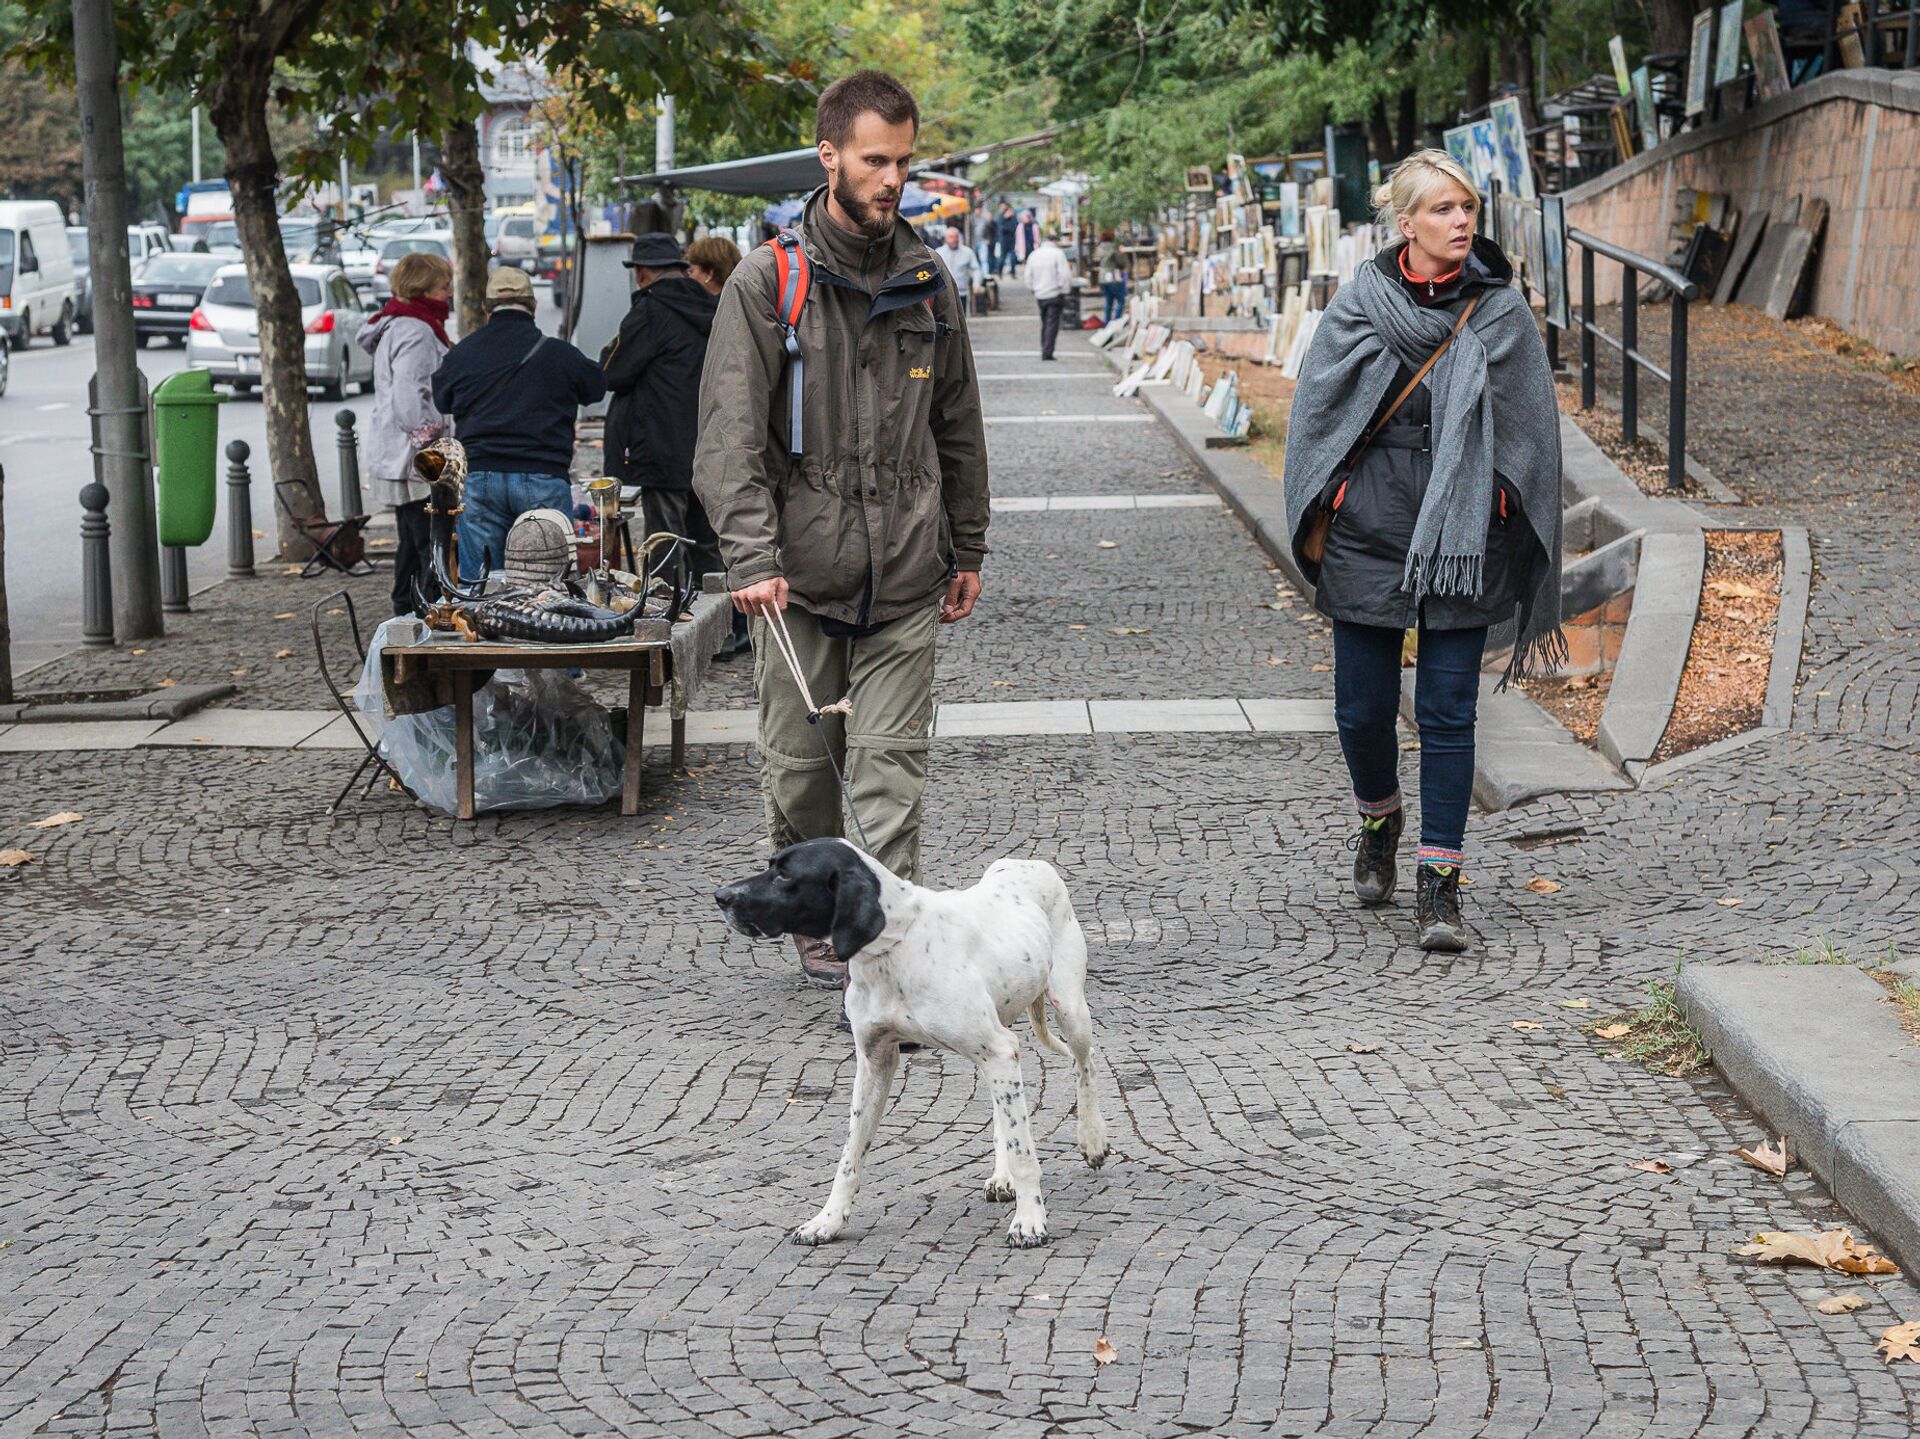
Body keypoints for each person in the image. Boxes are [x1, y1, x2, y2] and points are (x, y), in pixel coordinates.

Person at [693, 69, 990, 1000]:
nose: (893, 177)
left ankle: (878, 937)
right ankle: (812, 915)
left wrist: (968, 544)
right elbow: (727, 436)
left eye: (904, 159)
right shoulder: (765, 281)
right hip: (796, 578)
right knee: (799, 774)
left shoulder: (930, 282)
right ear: (829, 157)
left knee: (891, 765)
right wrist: (749, 557)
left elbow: (959, 423)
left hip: (905, 568)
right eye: (875, 159)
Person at [1280, 149, 1563, 953]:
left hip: (1465, 531)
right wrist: (1337, 493)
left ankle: (1441, 883)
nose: (1461, 220)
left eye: (1467, 207)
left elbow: (1531, 427)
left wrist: (1501, 493)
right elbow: (1316, 410)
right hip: (1371, 527)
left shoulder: (1500, 312)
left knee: (1448, 712)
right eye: (1442, 209)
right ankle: (1379, 818)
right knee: (1360, 708)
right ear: (1405, 224)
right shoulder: (1361, 304)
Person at [431, 267, 606, 579]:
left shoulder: (463, 354)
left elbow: (442, 399)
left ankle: (484, 628)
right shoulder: (559, 354)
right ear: (534, 307)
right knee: (549, 587)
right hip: (543, 475)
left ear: (486, 309)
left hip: (481, 477)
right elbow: (596, 386)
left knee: (483, 587)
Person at [600, 233, 726, 614]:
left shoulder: (649, 312)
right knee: (708, 544)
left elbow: (615, 372)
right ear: (682, 269)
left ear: (641, 275)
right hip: (711, 443)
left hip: (661, 445)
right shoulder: (715, 308)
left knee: (665, 541)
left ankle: (671, 622)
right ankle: (721, 628)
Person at [355, 250, 454, 615]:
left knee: (412, 541)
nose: (450, 292)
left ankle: (405, 611)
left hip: (401, 452)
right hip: (415, 458)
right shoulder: (416, 330)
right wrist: (430, 446)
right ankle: (421, 616)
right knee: (429, 542)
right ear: (422, 289)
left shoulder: (400, 323)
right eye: (444, 286)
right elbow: (409, 395)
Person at [1026, 229, 1073, 362]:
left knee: (1045, 321)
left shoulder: (1034, 255)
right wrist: (1064, 289)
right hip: (1054, 293)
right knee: (1052, 323)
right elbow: (1064, 275)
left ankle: (1045, 348)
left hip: (1040, 295)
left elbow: (1028, 276)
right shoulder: (1058, 254)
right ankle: (1047, 351)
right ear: (1055, 241)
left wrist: (1033, 288)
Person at [934, 223, 983, 302]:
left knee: (962, 313)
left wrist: (976, 284)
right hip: (943, 293)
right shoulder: (938, 253)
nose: (954, 239)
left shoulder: (968, 252)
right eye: (951, 237)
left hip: (962, 293)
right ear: (946, 238)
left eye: (956, 237)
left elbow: (976, 269)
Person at [1093, 230, 1128, 324]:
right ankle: (1115, 323)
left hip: (1102, 277)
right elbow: (1121, 263)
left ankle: (1107, 323)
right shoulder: (1113, 248)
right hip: (1113, 276)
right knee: (1120, 300)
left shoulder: (1099, 248)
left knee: (1109, 302)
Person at [992, 200, 1018, 276]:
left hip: (1012, 240)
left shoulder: (1013, 217)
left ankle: (1013, 272)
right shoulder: (1000, 217)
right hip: (1003, 240)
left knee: (1013, 256)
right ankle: (999, 271)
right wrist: (1005, 219)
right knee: (1002, 257)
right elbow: (1000, 228)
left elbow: (1014, 227)